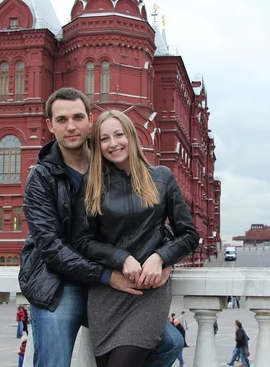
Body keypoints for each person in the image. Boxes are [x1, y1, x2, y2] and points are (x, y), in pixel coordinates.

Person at [19, 88, 185, 367]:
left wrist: (165, 258)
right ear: (50, 125)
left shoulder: (113, 159)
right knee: (54, 362)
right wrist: (107, 276)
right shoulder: (41, 178)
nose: (70, 126)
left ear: (89, 120)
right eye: (61, 120)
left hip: (109, 284)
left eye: (77, 117)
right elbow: (51, 248)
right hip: (60, 283)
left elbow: (151, 220)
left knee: (170, 343)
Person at [71, 109, 200, 367]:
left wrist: (161, 258)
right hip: (108, 291)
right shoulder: (92, 183)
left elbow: (189, 235)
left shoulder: (161, 177)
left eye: (119, 135)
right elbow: (82, 241)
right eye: (104, 139)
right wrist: (122, 258)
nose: (113, 143)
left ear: (131, 135)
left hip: (148, 292)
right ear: (97, 145)